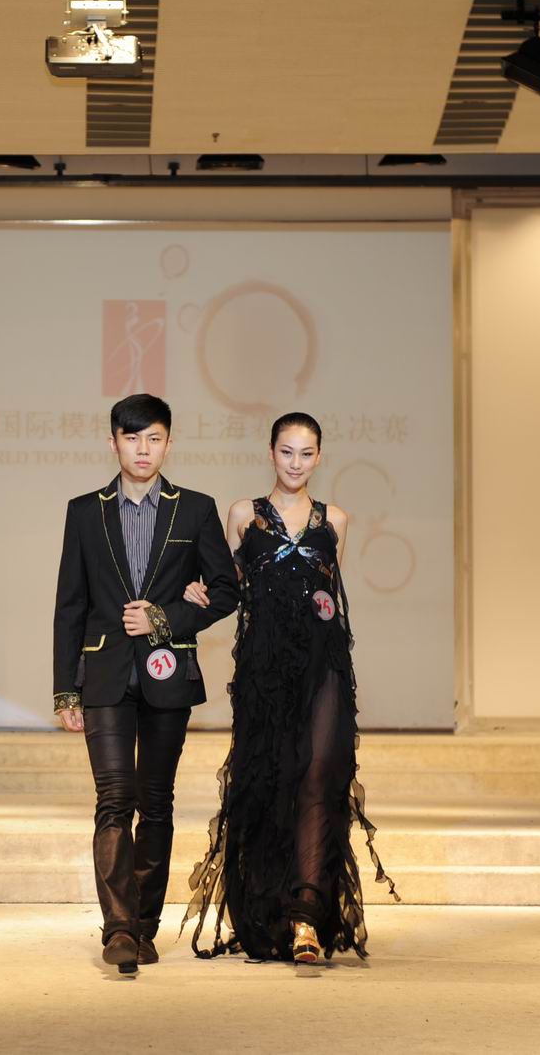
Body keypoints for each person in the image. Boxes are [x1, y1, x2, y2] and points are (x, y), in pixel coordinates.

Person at [180, 411, 398, 964]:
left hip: (324, 668)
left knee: (319, 775)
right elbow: (228, 589)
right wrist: (195, 593)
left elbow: (328, 600)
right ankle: (269, 912)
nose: (295, 463)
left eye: (306, 453)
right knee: (269, 780)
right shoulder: (242, 515)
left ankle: (306, 916)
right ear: (271, 452)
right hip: (263, 672)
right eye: (286, 452)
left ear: (319, 456)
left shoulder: (336, 520)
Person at [51, 393, 240, 974]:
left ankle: (145, 926)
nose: (142, 449)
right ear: (113, 442)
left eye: (153, 438)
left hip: (167, 672)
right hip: (104, 673)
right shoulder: (85, 511)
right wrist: (65, 689)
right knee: (115, 798)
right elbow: (70, 606)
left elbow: (226, 591)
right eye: (131, 438)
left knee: (156, 803)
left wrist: (165, 617)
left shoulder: (196, 510)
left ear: (169, 443)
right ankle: (118, 928)